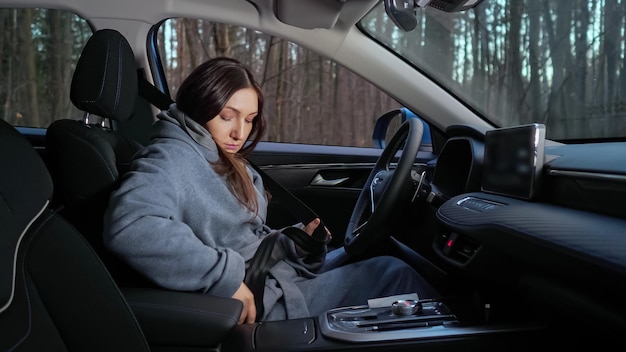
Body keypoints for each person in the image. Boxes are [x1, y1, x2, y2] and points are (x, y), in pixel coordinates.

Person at [103, 57, 438, 324]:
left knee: (376, 258)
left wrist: (289, 242)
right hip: (257, 300)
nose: (239, 132)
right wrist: (224, 278)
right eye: (226, 116)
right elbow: (131, 225)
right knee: (394, 276)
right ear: (198, 107)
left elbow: (240, 235)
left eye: (249, 120)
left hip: (270, 276)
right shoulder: (171, 156)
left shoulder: (216, 154)